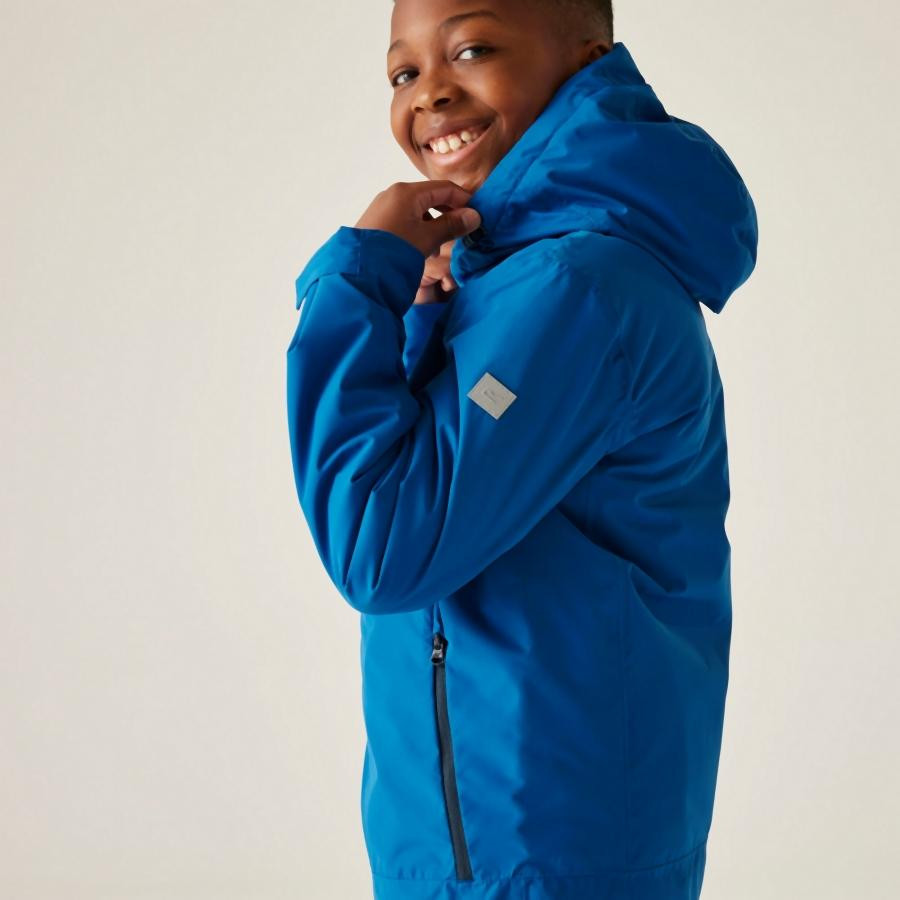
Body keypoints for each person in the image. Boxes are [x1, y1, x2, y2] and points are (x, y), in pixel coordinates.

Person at [285, 0, 758, 897]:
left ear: (586, 56)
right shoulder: (521, 282)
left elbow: (382, 552)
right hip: (498, 838)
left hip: (535, 851)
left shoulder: (576, 290)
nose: (429, 93)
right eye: (403, 72)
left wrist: (355, 280)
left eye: (471, 49)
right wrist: (419, 325)